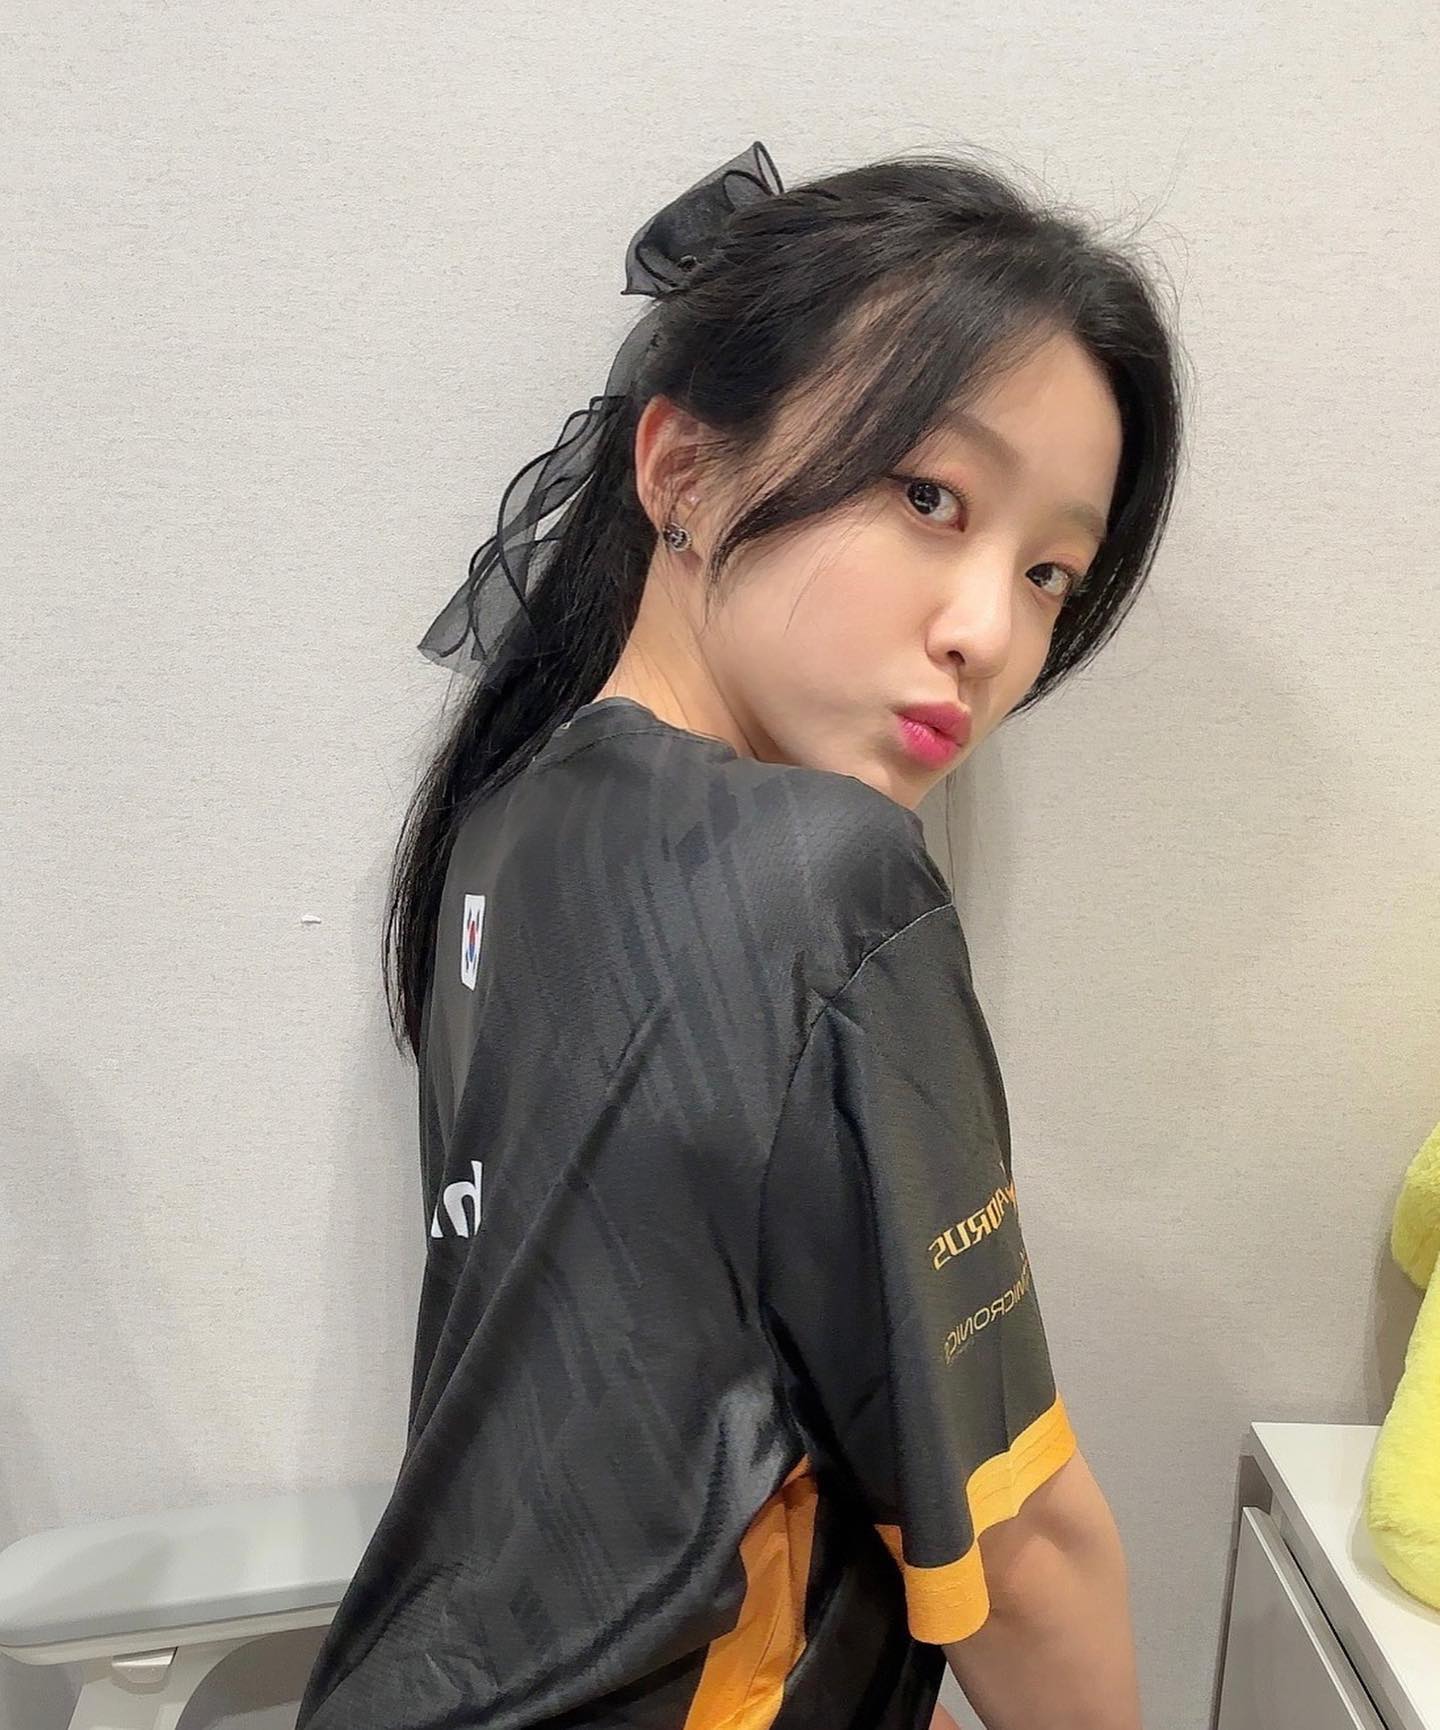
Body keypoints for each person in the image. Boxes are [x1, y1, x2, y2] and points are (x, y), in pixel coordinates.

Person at [295, 140, 1185, 1730]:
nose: (988, 632)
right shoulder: (822, 884)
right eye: (929, 497)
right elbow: (1021, 1545)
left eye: (1050, 570)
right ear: (683, 470)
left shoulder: (511, 815)